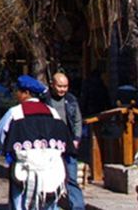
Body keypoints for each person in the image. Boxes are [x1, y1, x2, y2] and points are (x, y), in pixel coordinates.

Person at [0, 75, 73, 210]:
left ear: (26, 93)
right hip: (52, 174)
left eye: (18, 91)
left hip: (24, 172)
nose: (16, 94)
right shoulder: (53, 113)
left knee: (21, 204)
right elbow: (66, 143)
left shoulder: (15, 113)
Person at [45, 73, 85, 210]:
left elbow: (77, 120)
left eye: (65, 86)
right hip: (50, 145)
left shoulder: (71, 100)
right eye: (60, 86)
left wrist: (76, 139)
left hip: (68, 144)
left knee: (71, 178)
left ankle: (78, 207)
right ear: (52, 85)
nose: (63, 89)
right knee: (51, 178)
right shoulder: (45, 100)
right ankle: (51, 206)